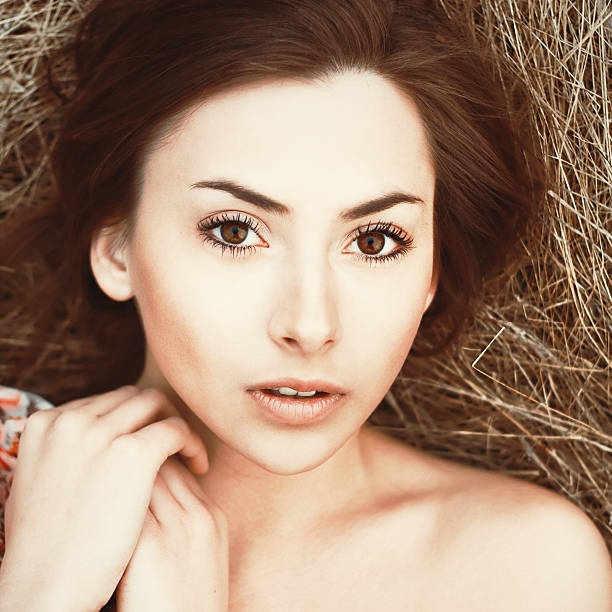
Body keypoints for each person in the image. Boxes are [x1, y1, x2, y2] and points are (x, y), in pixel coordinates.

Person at [0, 0, 610, 610]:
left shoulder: (525, 572)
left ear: (433, 271)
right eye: (235, 233)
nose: (311, 326)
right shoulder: (21, 509)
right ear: (115, 249)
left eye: (375, 242)